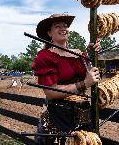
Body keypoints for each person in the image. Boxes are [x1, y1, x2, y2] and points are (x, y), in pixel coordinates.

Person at [31, 14, 101, 145]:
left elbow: (92, 74)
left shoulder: (79, 54)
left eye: (65, 26)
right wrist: (84, 84)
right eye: (57, 26)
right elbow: (51, 92)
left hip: (84, 115)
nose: (63, 29)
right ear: (49, 33)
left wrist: (92, 54)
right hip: (59, 117)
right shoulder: (45, 56)